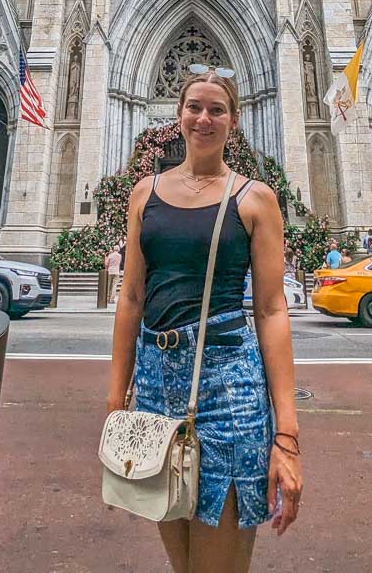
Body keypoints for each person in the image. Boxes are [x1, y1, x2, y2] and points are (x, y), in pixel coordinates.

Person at [107, 70, 302, 572]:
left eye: (216, 109)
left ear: (233, 120)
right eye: (194, 106)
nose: (203, 118)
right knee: (182, 561)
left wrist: (288, 436)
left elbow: (271, 309)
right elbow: (130, 298)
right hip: (153, 386)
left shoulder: (254, 198)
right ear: (179, 115)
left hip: (228, 385)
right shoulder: (144, 193)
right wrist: (115, 403)